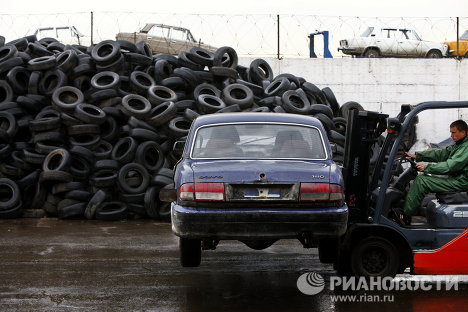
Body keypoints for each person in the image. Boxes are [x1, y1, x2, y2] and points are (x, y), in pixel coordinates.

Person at [400, 119, 468, 223]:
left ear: (463, 132)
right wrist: (418, 155)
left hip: (461, 182)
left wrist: (427, 168)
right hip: (456, 179)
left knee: (422, 181)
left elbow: (450, 166)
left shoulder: (466, 147)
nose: (451, 136)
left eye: (453, 133)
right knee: (422, 178)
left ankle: (404, 216)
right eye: (450, 132)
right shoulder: (459, 145)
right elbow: (441, 154)